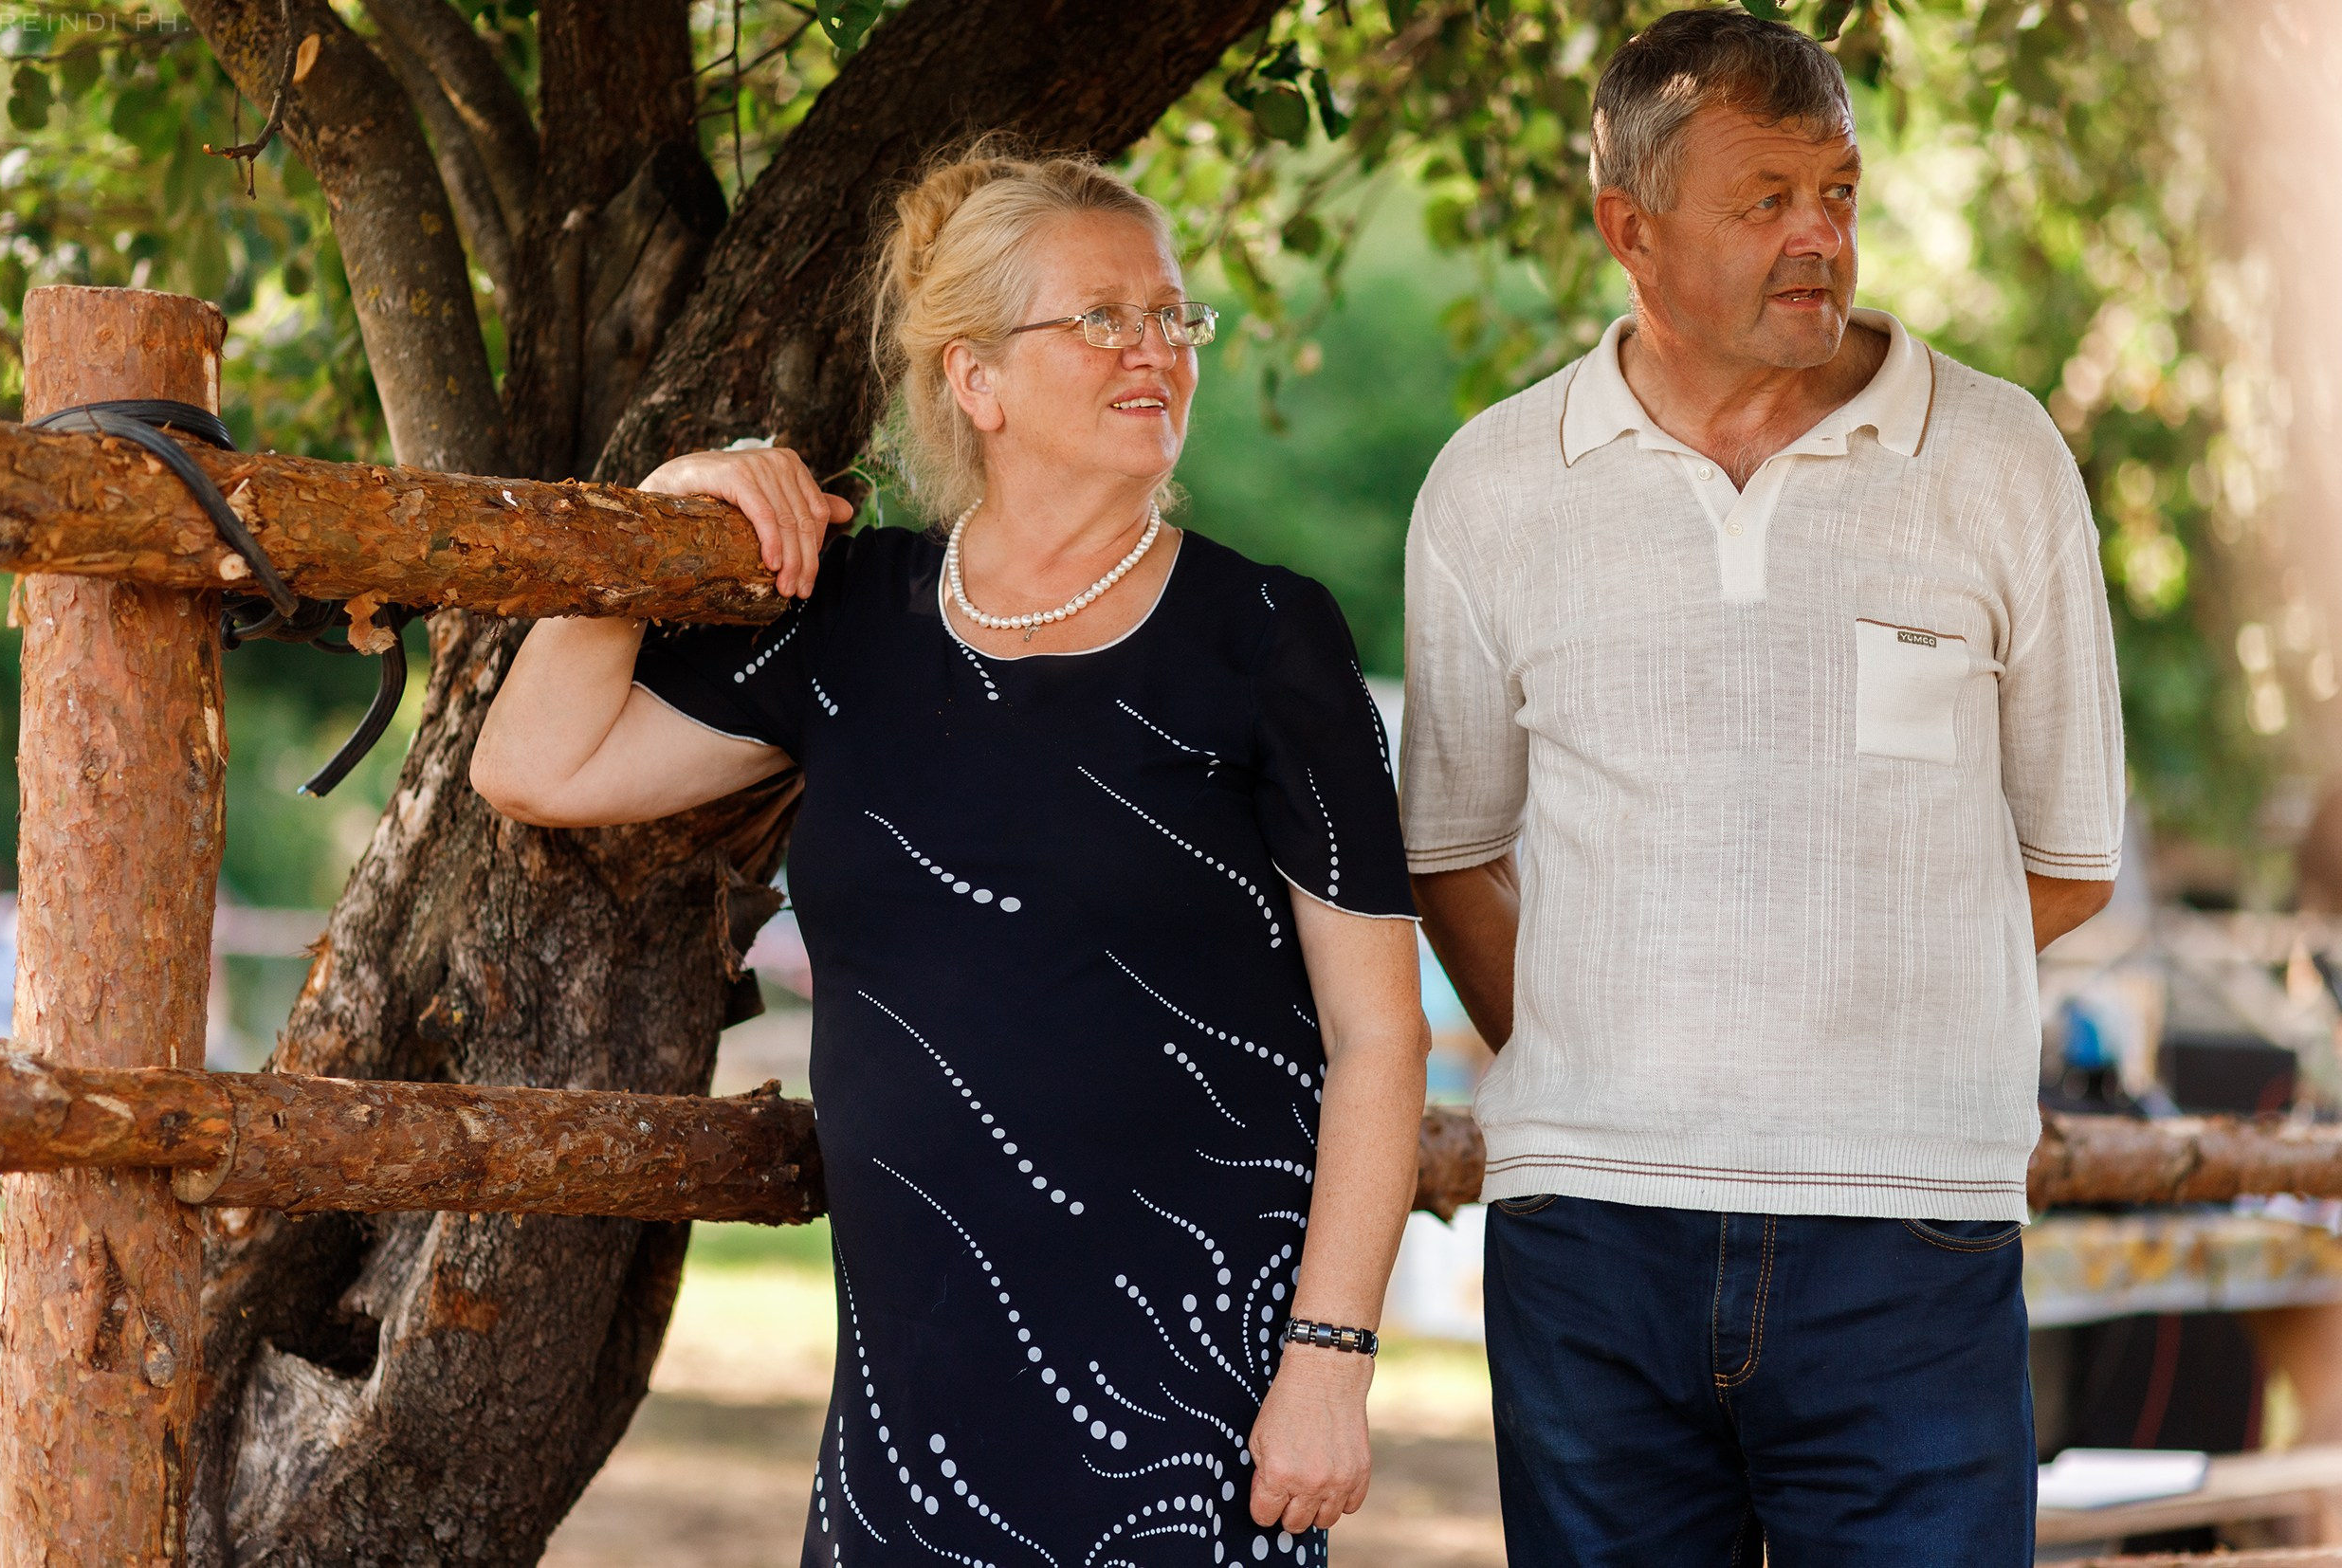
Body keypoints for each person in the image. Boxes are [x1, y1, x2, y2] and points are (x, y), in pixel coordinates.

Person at [469, 141, 1431, 1567]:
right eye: (1099, 317)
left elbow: (1381, 1033)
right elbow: (533, 763)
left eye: (1172, 314)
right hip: (910, 1413)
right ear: (974, 379)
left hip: (1191, 1401)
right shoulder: (850, 620)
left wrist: (1332, 1357)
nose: (1153, 348)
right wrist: (663, 503)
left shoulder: (1267, 639)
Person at [1400, 11, 2123, 1565]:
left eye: (1840, 192)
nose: (1820, 237)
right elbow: (1450, 850)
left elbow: (2070, 856)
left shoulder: (2000, 461)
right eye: (1766, 199)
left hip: (1908, 1238)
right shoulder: (1493, 484)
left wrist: (1839, 1038)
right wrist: (1619, 1048)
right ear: (1629, 231)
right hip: (1587, 1242)